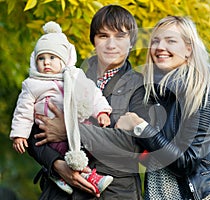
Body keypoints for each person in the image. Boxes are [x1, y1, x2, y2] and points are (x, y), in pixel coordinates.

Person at [27, 5, 149, 200]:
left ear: (131, 42)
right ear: (93, 40)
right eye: (103, 36)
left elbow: (132, 144)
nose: (111, 44)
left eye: (119, 36)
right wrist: (57, 163)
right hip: (59, 190)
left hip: (113, 192)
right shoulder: (68, 74)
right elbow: (33, 129)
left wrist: (68, 130)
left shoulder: (141, 87)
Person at [115, 16, 210, 199]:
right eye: (155, 41)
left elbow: (187, 162)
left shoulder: (200, 86)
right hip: (158, 193)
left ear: (188, 48)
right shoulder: (151, 91)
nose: (160, 47)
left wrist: (140, 127)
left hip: (200, 195)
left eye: (170, 41)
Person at [10, 21, 113, 196]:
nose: (46, 63)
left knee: (84, 149)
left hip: (78, 128)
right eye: (41, 59)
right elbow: (23, 111)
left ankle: (87, 176)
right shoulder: (33, 84)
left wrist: (102, 111)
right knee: (63, 152)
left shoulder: (75, 77)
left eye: (52, 58)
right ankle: (70, 176)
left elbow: (93, 95)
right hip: (49, 134)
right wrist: (19, 134)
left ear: (64, 60)